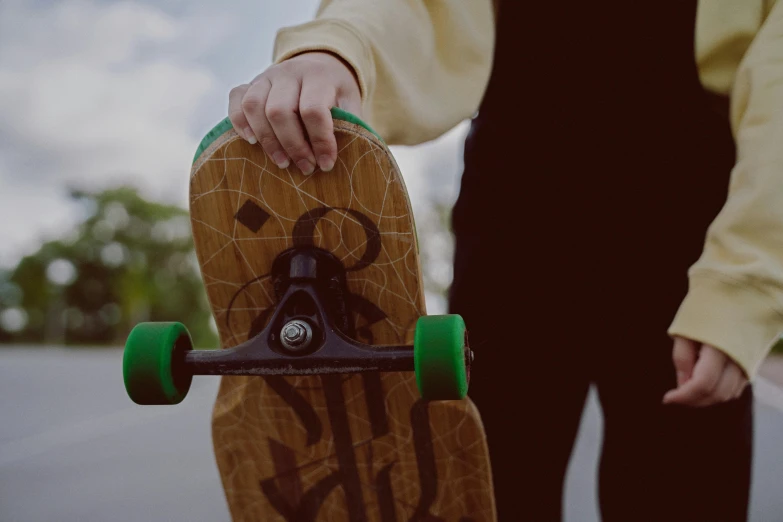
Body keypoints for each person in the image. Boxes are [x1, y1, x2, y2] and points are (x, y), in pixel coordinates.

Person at [227, 1, 783, 520]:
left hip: (686, 239)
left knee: (679, 493)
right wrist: (337, 50)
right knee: (497, 494)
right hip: (516, 226)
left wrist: (744, 287)